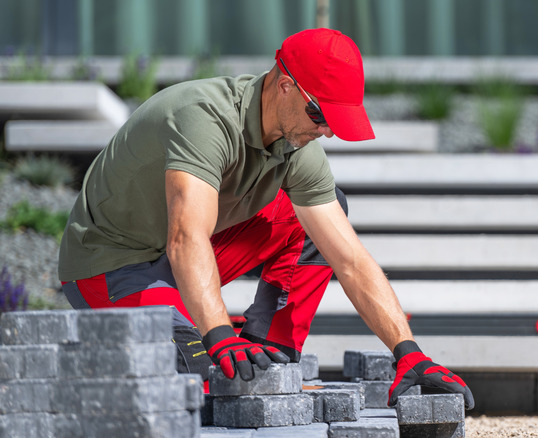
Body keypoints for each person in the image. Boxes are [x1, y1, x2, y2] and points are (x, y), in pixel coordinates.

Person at [58, 28, 473, 409]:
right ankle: (221, 346)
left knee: (318, 216)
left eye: (334, 121)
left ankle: (267, 349)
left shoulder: (298, 146)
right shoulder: (204, 119)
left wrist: (408, 351)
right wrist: (218, 336)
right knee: (203, 379)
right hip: (111, 268)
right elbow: (186, 238)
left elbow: (349, 259)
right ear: (286, 85)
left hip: (178, 259)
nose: (327, 131)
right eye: (320, 115)